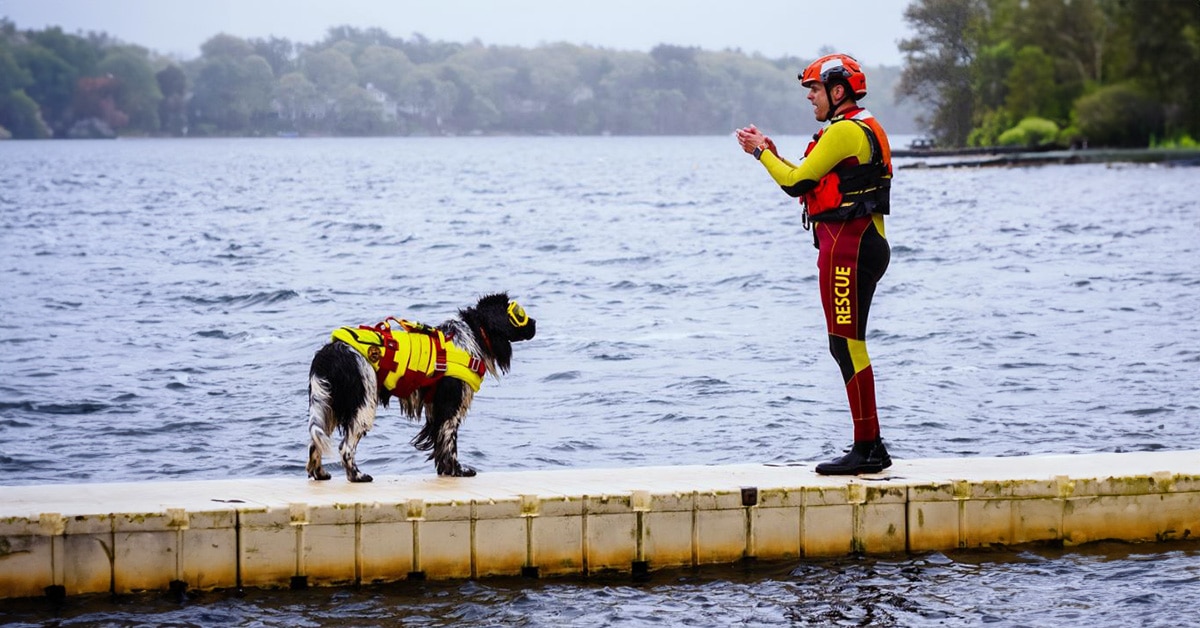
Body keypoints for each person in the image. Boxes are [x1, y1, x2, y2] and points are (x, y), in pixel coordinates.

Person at [735, 53, 893, 475]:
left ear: (838, 91)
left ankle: (869, 448)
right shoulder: (855, 127)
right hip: (858, 243)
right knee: (846, 344)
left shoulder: (844, 131)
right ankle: (869, 443)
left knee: (847, 344)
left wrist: (758, 154)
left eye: (815, 89)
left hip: (849, 247)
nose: (810, 97)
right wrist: (771, 150)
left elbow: (794, 184)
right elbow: (810, 176)